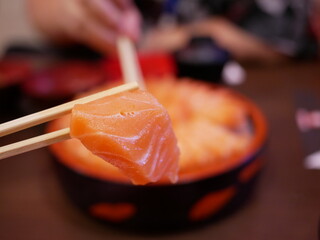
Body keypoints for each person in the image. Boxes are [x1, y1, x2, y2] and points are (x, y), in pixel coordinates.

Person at [26, 0, 318, 64]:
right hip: (96, 69)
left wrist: (211, 32)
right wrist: (62, 11)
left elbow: (294, 40)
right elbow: (43, 11)